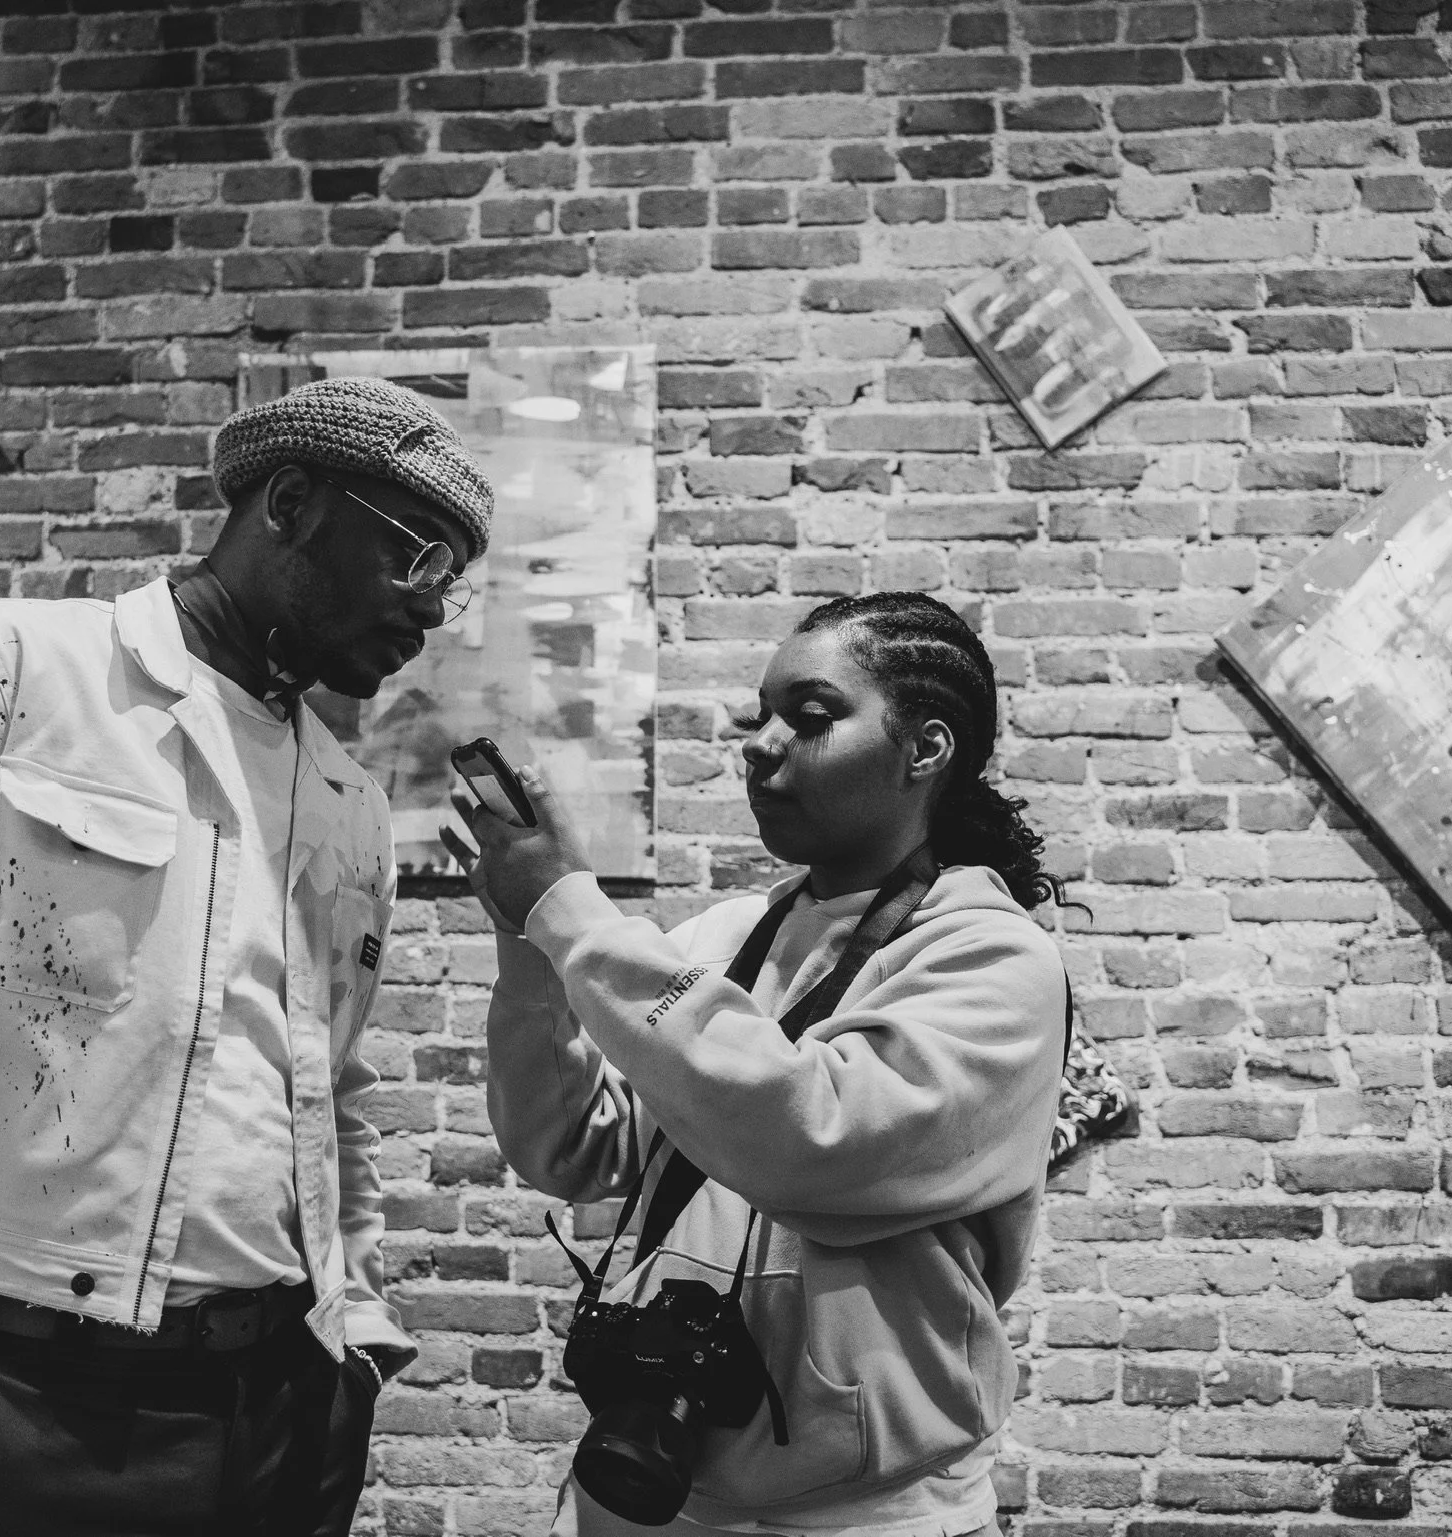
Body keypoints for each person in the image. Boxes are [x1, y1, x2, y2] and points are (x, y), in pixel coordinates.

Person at [0, 376, 495, 1536]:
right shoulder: (1, 673)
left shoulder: (350, 802)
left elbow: (328, 1092)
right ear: (293, 502)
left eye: (453, 578)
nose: (434, 606)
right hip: (38, 1395)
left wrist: (356, 1336)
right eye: (415, 556)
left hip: (285, 1397)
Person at [450, 593, 1069, 1537]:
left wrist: (571, 914)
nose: (762, 743)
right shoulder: (727, 936)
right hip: (656, 1488)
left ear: (926, 748)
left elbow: (811, 1138)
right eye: (759, 715)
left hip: (868, 1514)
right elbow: (571, 1147)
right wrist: (529, 944)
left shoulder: (990, 958)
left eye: (811, 717)